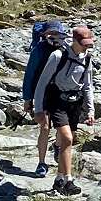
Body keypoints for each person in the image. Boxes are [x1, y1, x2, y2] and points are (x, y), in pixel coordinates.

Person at [32, 23, 95, 194]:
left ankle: (59, 180)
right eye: (84, 44)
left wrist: (91, 110)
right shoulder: (57, 56)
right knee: (66, 138)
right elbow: (42, 84)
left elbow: (88, 85)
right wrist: (38, 109)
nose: (87, 47)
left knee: (69, 141)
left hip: (75, 102)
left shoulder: (87, 58)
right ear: (74, 40)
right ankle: (69, 180)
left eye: (89, 44)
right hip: (57, 101)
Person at [26, 22, 65, 176]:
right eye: (51, 33)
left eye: (57, 34)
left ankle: (57, 146)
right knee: (45, 127)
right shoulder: (39, 50)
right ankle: (41, 163)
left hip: (61, 93)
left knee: (61, 127)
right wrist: (27, 99)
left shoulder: (66, 48)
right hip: (42, 92)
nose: (54, 37)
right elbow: (30, 75)